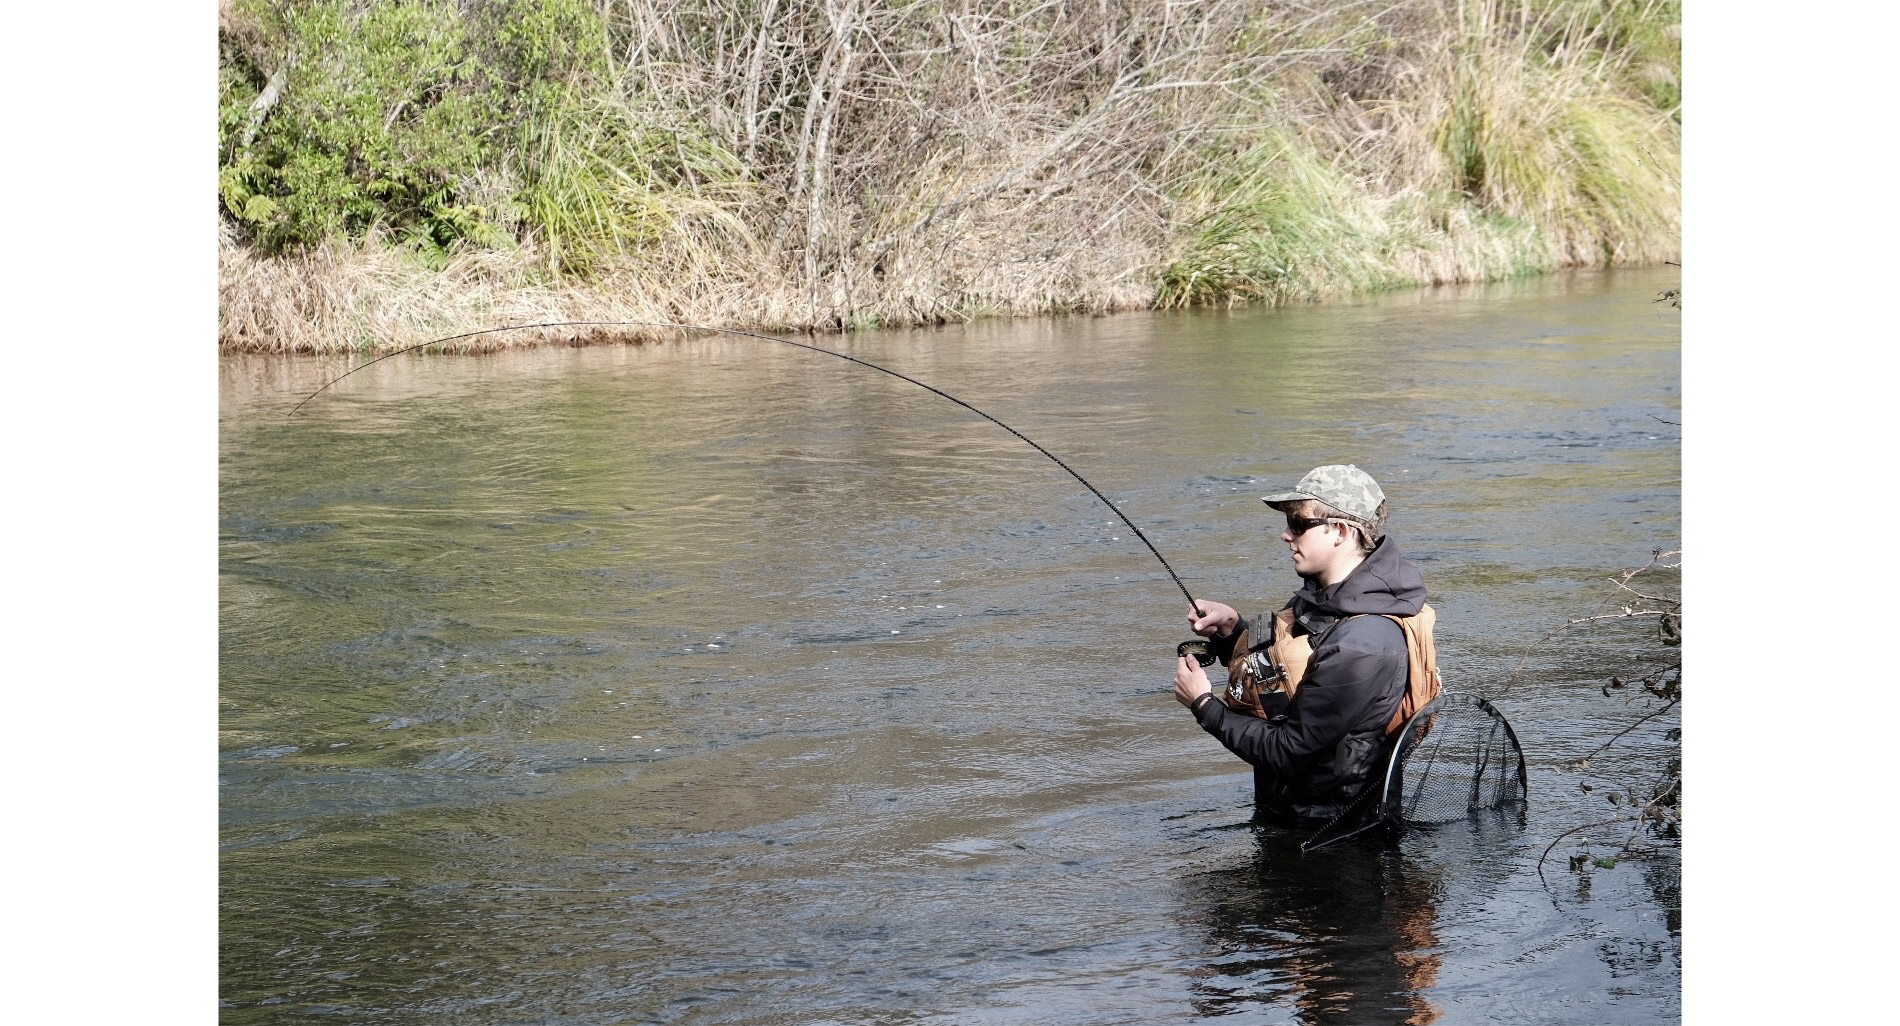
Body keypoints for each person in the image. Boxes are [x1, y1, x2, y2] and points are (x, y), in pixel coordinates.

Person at [1172, 464, 1432, 823]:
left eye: (1298, 524)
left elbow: (1289, 751)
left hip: (1331, 840)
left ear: (1339, 531)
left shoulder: (1364, 644)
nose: (1285, 535)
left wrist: (1203, 704)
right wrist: (1231, 632)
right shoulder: (1330, 598)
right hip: (1295, 816)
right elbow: (1293, 675)